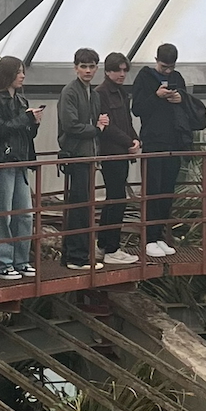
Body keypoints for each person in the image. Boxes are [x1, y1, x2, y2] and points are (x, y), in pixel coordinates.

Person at [131, 43, 199, 258]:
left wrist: (181, 99)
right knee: (153, 190)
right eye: (164, 67)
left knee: (167, 191)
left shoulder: (177, 78)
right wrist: (156, 96)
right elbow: (137, 108)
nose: (168, 71)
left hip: (174, 142)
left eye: (171, 67)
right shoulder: (144, 77)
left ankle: (160, 235)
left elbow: (187, 107)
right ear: (156, 60)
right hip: (153, 142)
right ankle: (149, 238)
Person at [0, 56, 41, 281]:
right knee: (2, 212)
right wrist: (25, 119)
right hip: (3, 160)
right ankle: (3, 262)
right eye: (18, 72)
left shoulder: (22, 101)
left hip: (20, 160)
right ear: (8, 74)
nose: (22, 75)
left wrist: (34, 123)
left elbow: (26, 133)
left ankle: (21, 260)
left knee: (24, 214)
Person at [57, 49, 101, 268]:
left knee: (82, 205)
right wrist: (96, 129)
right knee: (80, 206)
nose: (88, 70)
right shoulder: (71, 92)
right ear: (75, 68)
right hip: (76, 155)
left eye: (91, 66)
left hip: (88, 155)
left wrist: (97, 128)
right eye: (83, 66)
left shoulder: (92, 93)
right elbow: (70, 125)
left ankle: (73, 255)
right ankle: (77, 256)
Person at [94, 55, 139, 265]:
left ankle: (104, 245)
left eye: (124, 70)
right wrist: (129, 141)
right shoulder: (101, 93)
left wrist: (135, 139)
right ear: (108, 71)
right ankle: (111, 248)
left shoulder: (121, 93)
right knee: (116, 199)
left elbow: (127, 121)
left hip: (122, 152)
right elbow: (107, 127)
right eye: (117, 70)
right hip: (111, 153)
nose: (122, 74)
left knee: (115, 198)